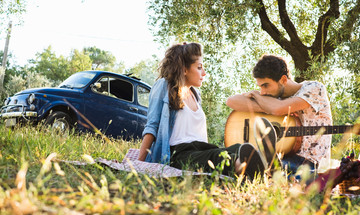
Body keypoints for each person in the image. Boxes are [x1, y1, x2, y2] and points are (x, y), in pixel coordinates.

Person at [138, 42, 274, 180]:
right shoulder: (164, 86)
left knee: (239, 147)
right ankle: (256, 168)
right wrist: (140, 163)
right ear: (184, 69)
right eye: (199, 68)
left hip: (202, 149)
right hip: (178, 154)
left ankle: (262, 164)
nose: (204, 73)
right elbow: (152, 126)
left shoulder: (195, 95)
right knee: (217, 158)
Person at [226, 54, 333, 175]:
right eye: (259, 87)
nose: (262, 92)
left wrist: (256, 96)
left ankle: (267, 169)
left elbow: (277, 109)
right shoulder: (274, 98)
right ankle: (268, 168)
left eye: (265, 85)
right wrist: (267, 107)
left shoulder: (314, 88)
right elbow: (231, 101)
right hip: (284, 157)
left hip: (310, 163)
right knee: (243, 165)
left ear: (283, 80)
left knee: (257, 169)